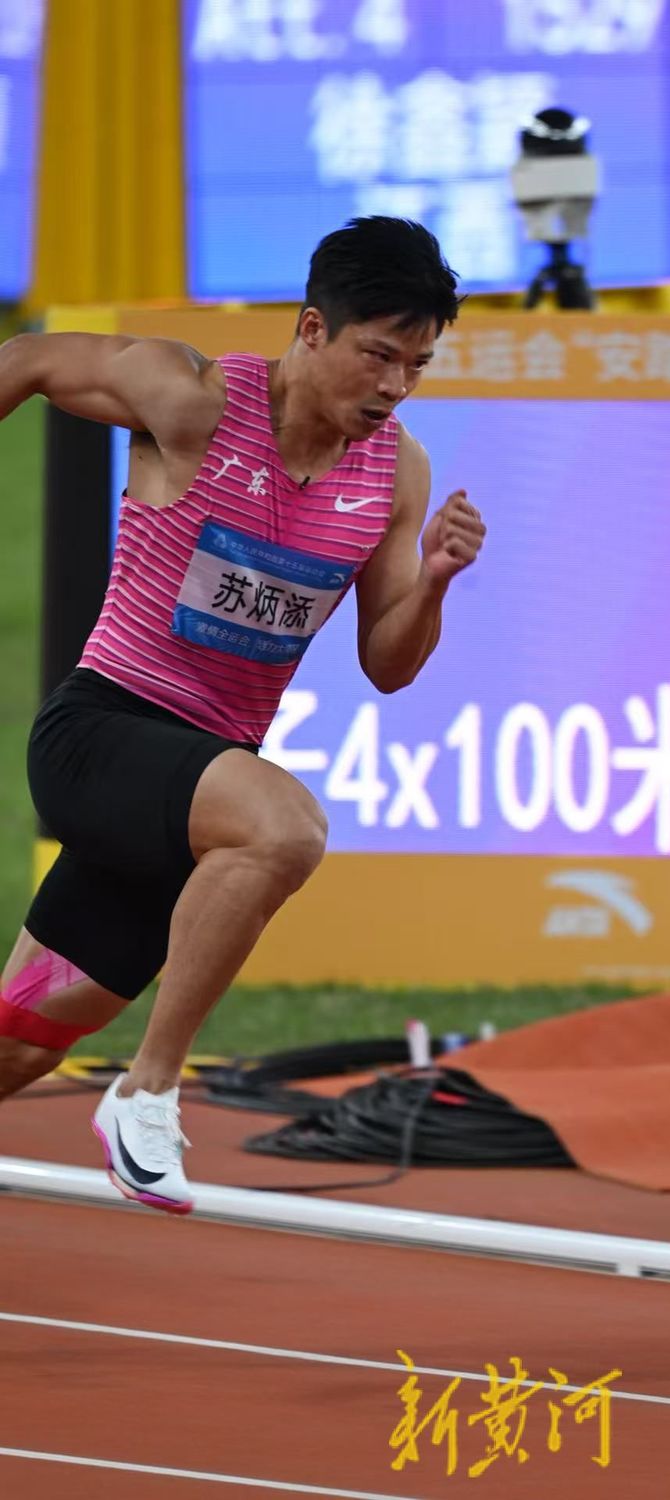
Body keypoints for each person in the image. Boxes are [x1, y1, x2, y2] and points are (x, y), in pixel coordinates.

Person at [0, 217, 485, 1214]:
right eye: (377, 355)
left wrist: (435, 580)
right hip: (101, 732)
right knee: (286, 830)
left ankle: (127, 1083)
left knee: (22, 1045)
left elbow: (389, 666)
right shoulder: (193, 399)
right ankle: (147, 1094)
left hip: (193, 796)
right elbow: (27, 361)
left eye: (418, 365)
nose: (395, 386)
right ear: (311, 330)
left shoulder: (395, 473)